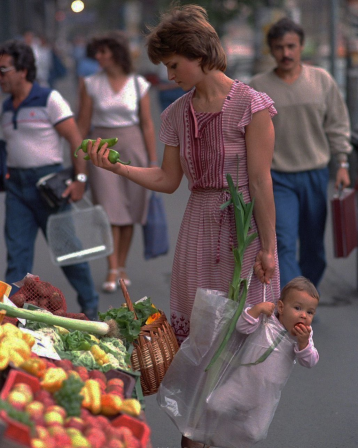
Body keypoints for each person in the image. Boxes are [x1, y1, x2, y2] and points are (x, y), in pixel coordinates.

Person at [87, 7, 280, 445]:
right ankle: (196, 432)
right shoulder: (175, 113)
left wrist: (268, 249)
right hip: (197, 230)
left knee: (238, 340)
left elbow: (259, 181)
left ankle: (218, 433)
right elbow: (168, 180)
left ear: (197, 54)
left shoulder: (252, 105)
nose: (169, 74)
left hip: (243, 233)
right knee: (198, 345)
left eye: (174, 64)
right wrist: (117, 168)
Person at [249, 18, 352, 290]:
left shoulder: (321, 80)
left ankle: (306, 297)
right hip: (277, 178)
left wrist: (342, 163)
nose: (286, 53)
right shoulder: (258, 86)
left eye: (291, 46)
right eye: (279, 47)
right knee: (283, 242)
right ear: (271, 50)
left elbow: (338, 124)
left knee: (314, 247)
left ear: (301, 46)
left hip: (315, 174)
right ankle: (292, 304)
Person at [0, 39, 99, 321]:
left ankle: (90, 306)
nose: (0, 77)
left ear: (23, 70)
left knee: (68, 252)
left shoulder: (49, 99)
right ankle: (11, 318)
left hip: (49, 188)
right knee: (16, 256)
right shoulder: (7, 107)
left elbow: (75, 140)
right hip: (17, 190)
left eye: (4, 69)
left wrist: (80, 179)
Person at [77, 30, 157, 292]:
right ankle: (112, 268)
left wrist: (153, 161)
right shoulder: (89, 83)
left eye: (103, 51)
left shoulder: (138, 83)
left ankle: (121, 265)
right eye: (96, 52)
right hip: (101, 149)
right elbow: (83, 124)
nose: (98, 57)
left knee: (131, 211)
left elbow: (147, 125)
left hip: (133, 146)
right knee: (110, 211)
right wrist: (79, 158)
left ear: (115, 52)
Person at [206, 276, 319, 447]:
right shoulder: (267, 319)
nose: (303, 315)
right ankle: (212, 437)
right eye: (297, 308)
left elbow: (310, 361)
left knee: (255, 433)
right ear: (281, 307)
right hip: (241, 383)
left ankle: (222, 442)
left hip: (265, 397)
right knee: (214, 405)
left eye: (310, 312)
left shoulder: (303, 337)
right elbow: (242, 327)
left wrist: (303, 344)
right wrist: (256, 310)